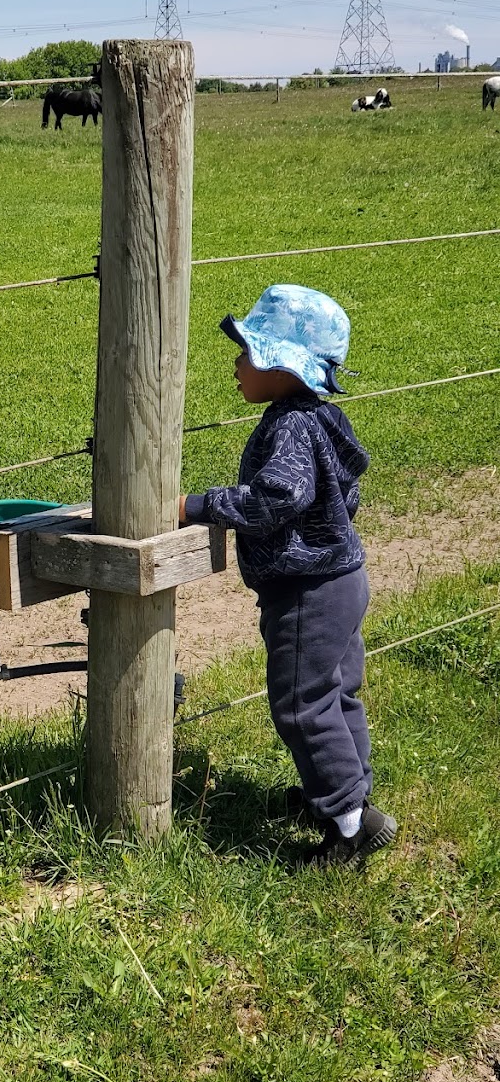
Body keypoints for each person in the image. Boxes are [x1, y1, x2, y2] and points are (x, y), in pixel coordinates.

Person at [179, 284, 396, 869]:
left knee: (301, 705)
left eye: (249, 352)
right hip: (340, 578)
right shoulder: (322, 417)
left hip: (306, 590)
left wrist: (198, 507)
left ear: (284, 368)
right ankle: (342, 796)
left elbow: (280, 495)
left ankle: (351, 827)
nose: (237, 363)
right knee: (336, 692)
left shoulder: (289, 427)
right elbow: (342, 485)